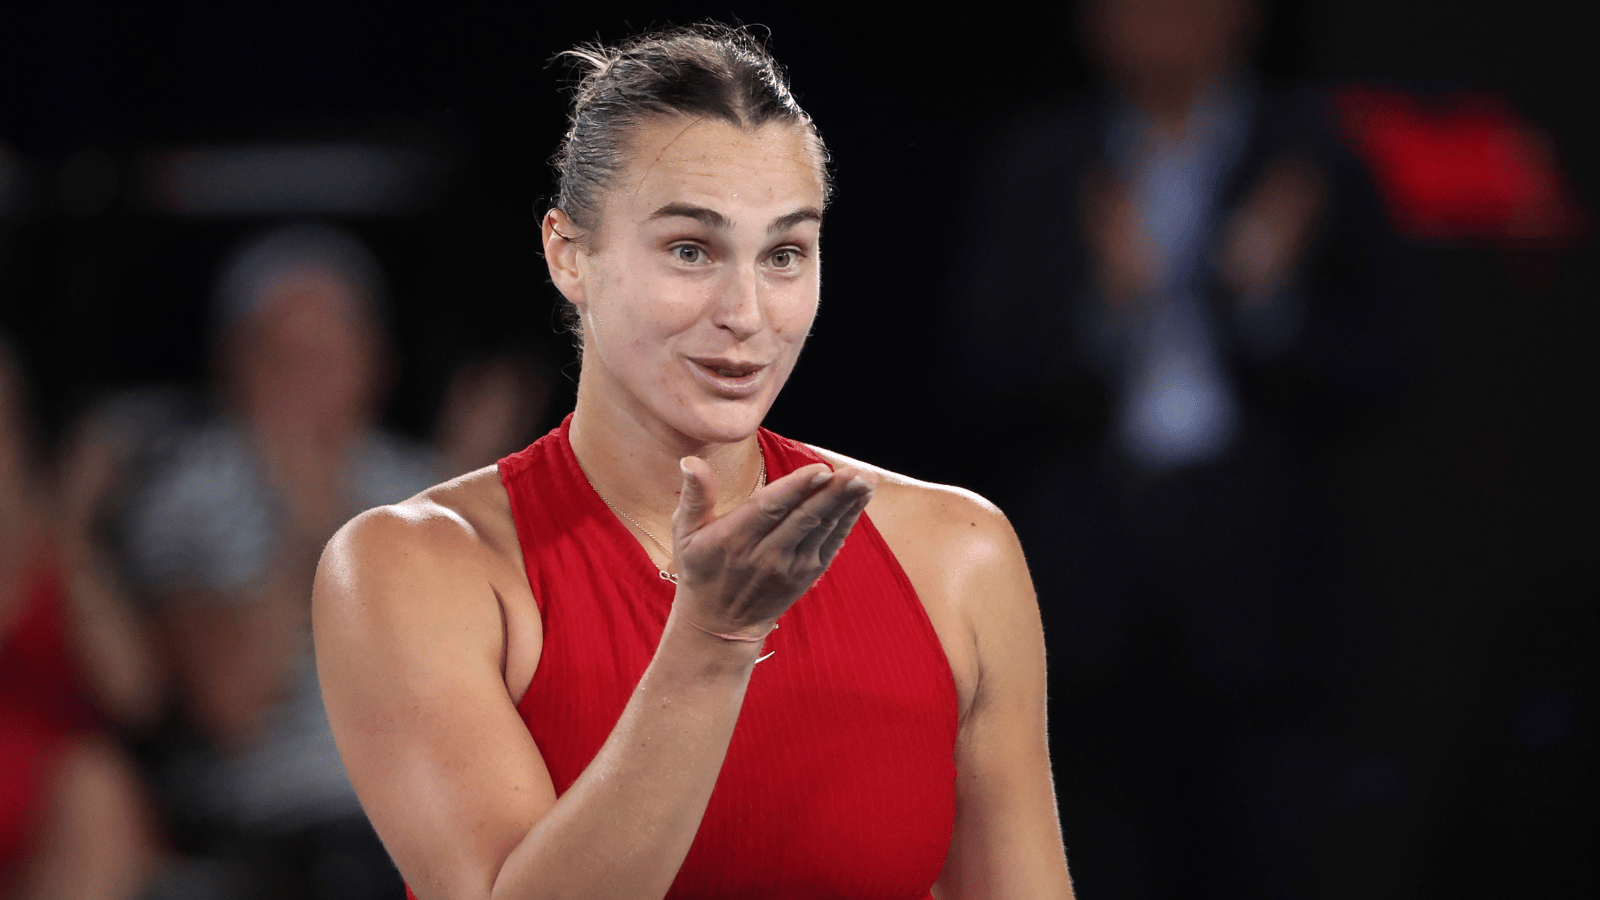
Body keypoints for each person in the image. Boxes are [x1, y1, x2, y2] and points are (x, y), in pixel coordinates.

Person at [313, 24, 1075, 900]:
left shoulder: (959, 555)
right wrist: (711, 642)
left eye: (785, 253)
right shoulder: (411, 566)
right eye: (690, 250)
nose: (746, 312)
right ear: (570, 257)